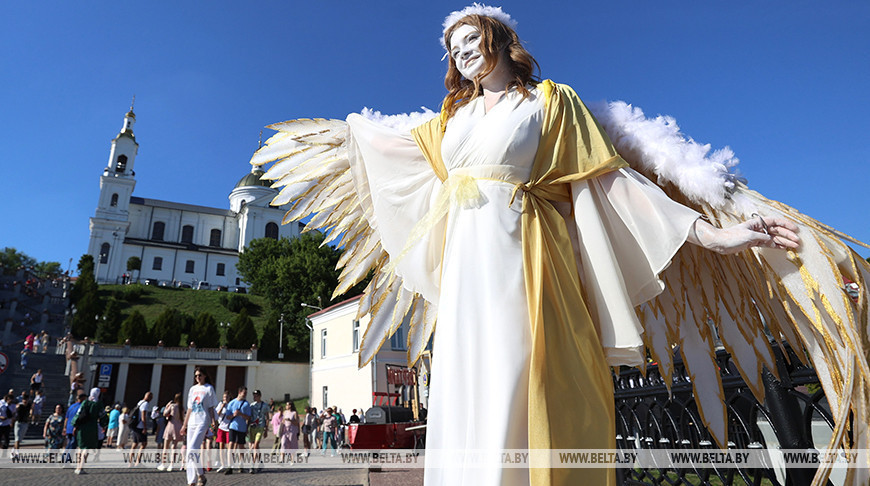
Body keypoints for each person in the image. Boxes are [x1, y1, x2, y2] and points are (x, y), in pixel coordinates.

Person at [256, 6, 809, 485]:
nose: (464, 52)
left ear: (498, 38)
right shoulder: (450, 120)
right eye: (454, 47)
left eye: (472, 39)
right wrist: (349, 130)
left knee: (522, 375)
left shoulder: (549, 102)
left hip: (527, 255)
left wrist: (710, 234)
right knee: (469, 382)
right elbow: (390, 149)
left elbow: (608, 178)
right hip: (466, 268)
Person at [180, 367, 218, 486]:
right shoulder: (192, 389)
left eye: (200, 375)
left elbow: (211, 407)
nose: (198, 377)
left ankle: (200, 474)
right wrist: (184, 425)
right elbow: (190, 408)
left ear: (205, 375)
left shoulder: (209, 388)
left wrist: (213, 421)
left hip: (203, 421)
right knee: (190, 451)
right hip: (192, 421)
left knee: (192, 448)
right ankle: (193, 480)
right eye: (196, 376)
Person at [73, 388, 105, 475]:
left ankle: (77, 466)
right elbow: (103, 416)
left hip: (82, 426)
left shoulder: (85, 402)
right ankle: (81, 467)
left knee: (80, 446)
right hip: (92, 427)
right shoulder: (98, 404)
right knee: (87, 448)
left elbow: (78, 414)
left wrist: (75, 425)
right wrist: (103, 425)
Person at [223, 386, 250, 474]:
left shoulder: (246, 404)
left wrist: (241, 414)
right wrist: (234, 415)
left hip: (242, 427)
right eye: (244, 393)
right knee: (230, 445)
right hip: (233, 426)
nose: (245, 395)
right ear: (239, 392)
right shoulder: (232, 403)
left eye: (246, 393)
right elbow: (227, 416)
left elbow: (248, 417)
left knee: (241, 447)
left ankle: (241, 465)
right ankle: (229, 466)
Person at [158, 393, 184, 471]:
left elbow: (165, 413)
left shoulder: (172, 406)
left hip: (170, 426)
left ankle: (163, 463)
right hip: (178, 427)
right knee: (174, 447)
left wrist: (167, 406)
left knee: (166, 447)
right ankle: (172, 464)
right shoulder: (182, 408)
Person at [247, 389, 268, 473]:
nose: (255, 397)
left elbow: (267, 417)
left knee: (255, 445)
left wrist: (266, 429)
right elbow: (249, 417)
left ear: (260, 396)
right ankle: (260, 462)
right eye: (254, 396)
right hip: (252, 427)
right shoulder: (251, 405)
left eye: (256, 396)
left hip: (260, 426)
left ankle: (252, 465)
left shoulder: (265, 405)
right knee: (254, 447)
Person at [128, 391, 152, 467]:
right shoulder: (145, 404)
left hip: (135, 426)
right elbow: (143, 417)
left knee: (134, 444)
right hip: (140, 426)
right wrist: (145, 427)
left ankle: (130, 462)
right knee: (144, 443)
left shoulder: (140, 402)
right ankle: (138, 461)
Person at [214, 390, 231, 473]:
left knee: (228, 447)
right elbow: (216, 414)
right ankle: (223, 464)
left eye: (227, 397)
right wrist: (222, 407)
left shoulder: (231, 405)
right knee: (221, 447)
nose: (225, 398)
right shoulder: (220, 404)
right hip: (221, 427)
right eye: (224, 397)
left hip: (229, 428)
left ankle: (229, 464)